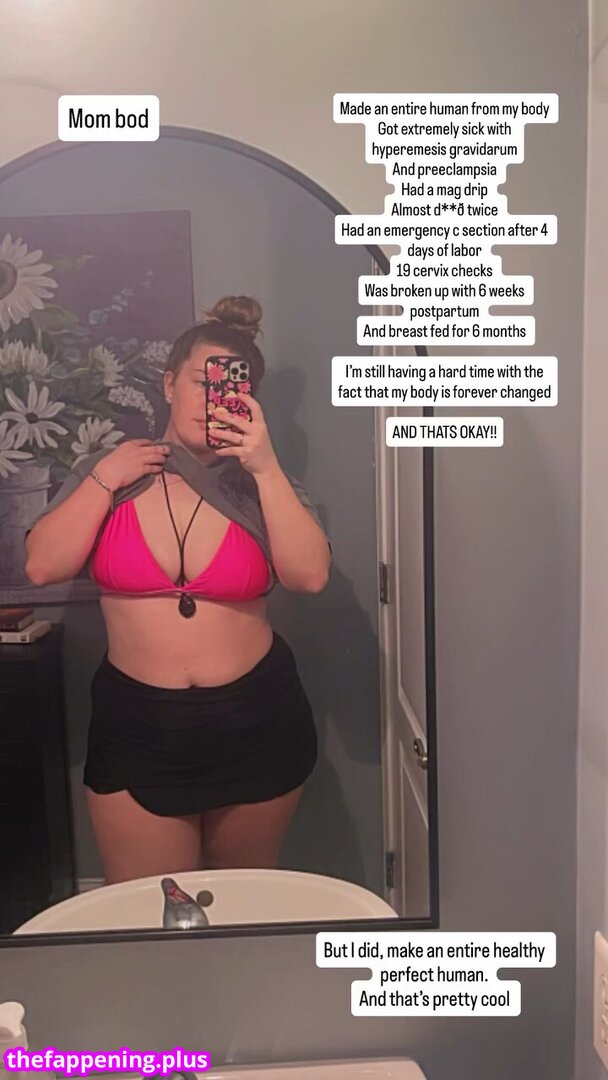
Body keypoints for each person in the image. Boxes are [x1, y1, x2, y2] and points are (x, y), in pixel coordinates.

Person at [25, 296, 331, 885]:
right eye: (200, 381)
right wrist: (104, 476)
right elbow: (42, 566)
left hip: (257, 718)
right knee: (146, 908)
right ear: (168, 385)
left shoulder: (262, 484)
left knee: (242, 905)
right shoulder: (113, 471)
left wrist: (266, 469)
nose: (212, 398)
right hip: (138, 726)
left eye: (229, 387)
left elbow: (310, 576)